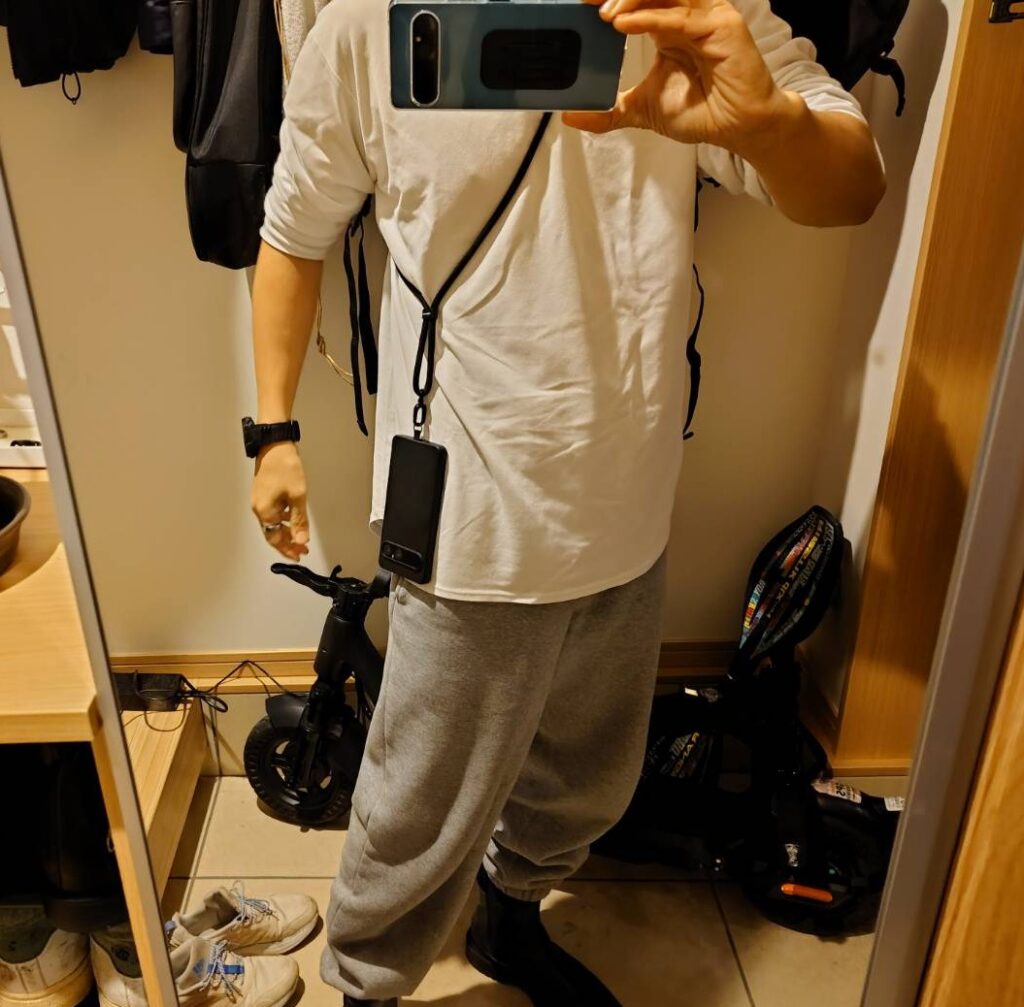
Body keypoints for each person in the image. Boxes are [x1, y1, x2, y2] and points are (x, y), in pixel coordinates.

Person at [248, 0, 885, 1003]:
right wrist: (272, 432)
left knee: (588, 775)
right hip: (466, 503)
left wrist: (766, 125)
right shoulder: (374, 22)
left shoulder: (686, 12)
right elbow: (293, 232)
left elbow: (853, 187)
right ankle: (366, 985)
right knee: (420, 802)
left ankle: (510, 918)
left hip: (629, 484)